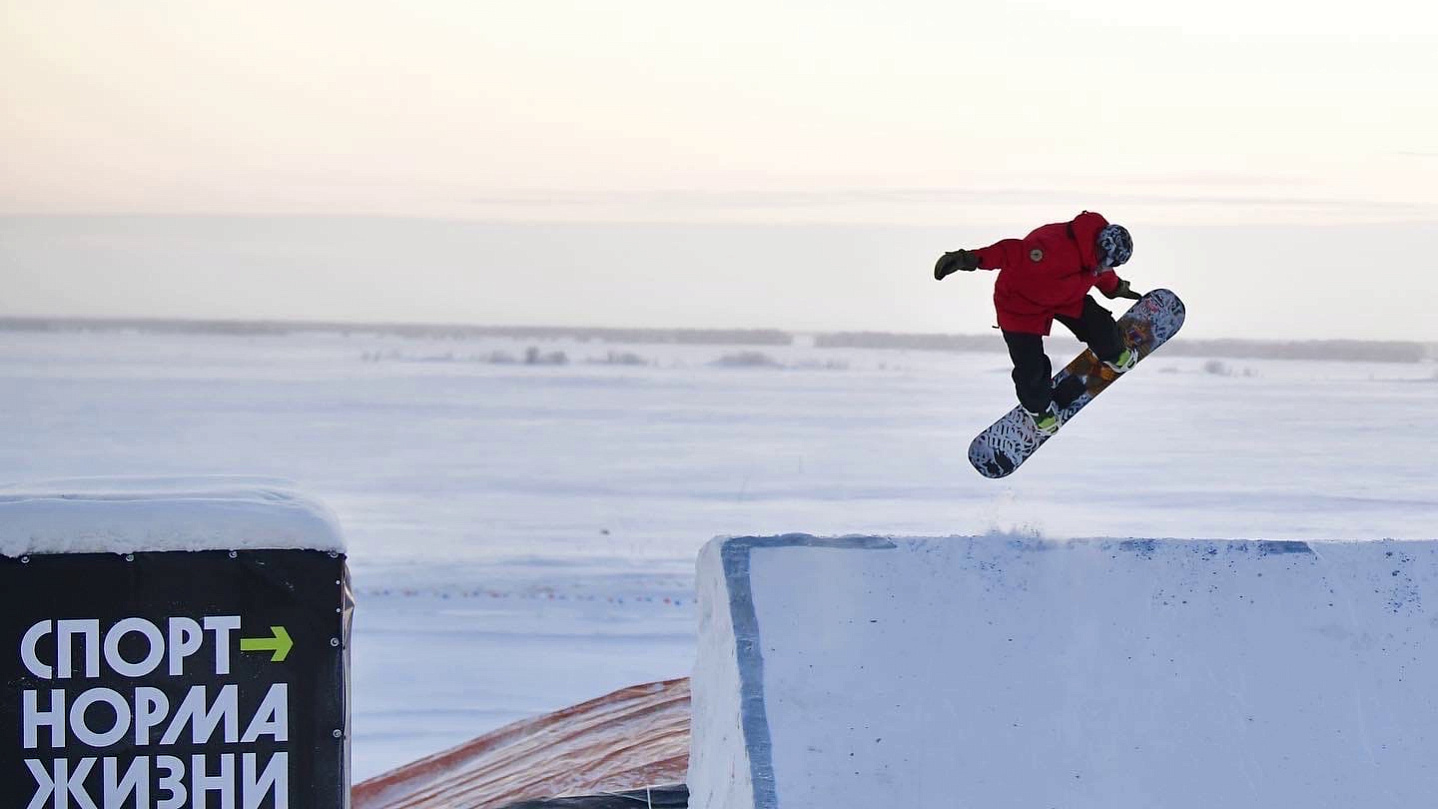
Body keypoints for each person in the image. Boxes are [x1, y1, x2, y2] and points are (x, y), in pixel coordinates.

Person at [933, 211, 1141, 436]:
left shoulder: (1095, 261)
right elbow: (1008, 251)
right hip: (1019, 306)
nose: (1109, 267)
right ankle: (1040, 411)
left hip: (1065, 298)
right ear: (1101, 249)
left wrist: (1118, 289)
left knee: (1097, 322)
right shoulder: (1052, 247)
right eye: (1111, 262)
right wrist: (967, 259)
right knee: (1031, 368)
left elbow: (1103, 277)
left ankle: (1114, 353)